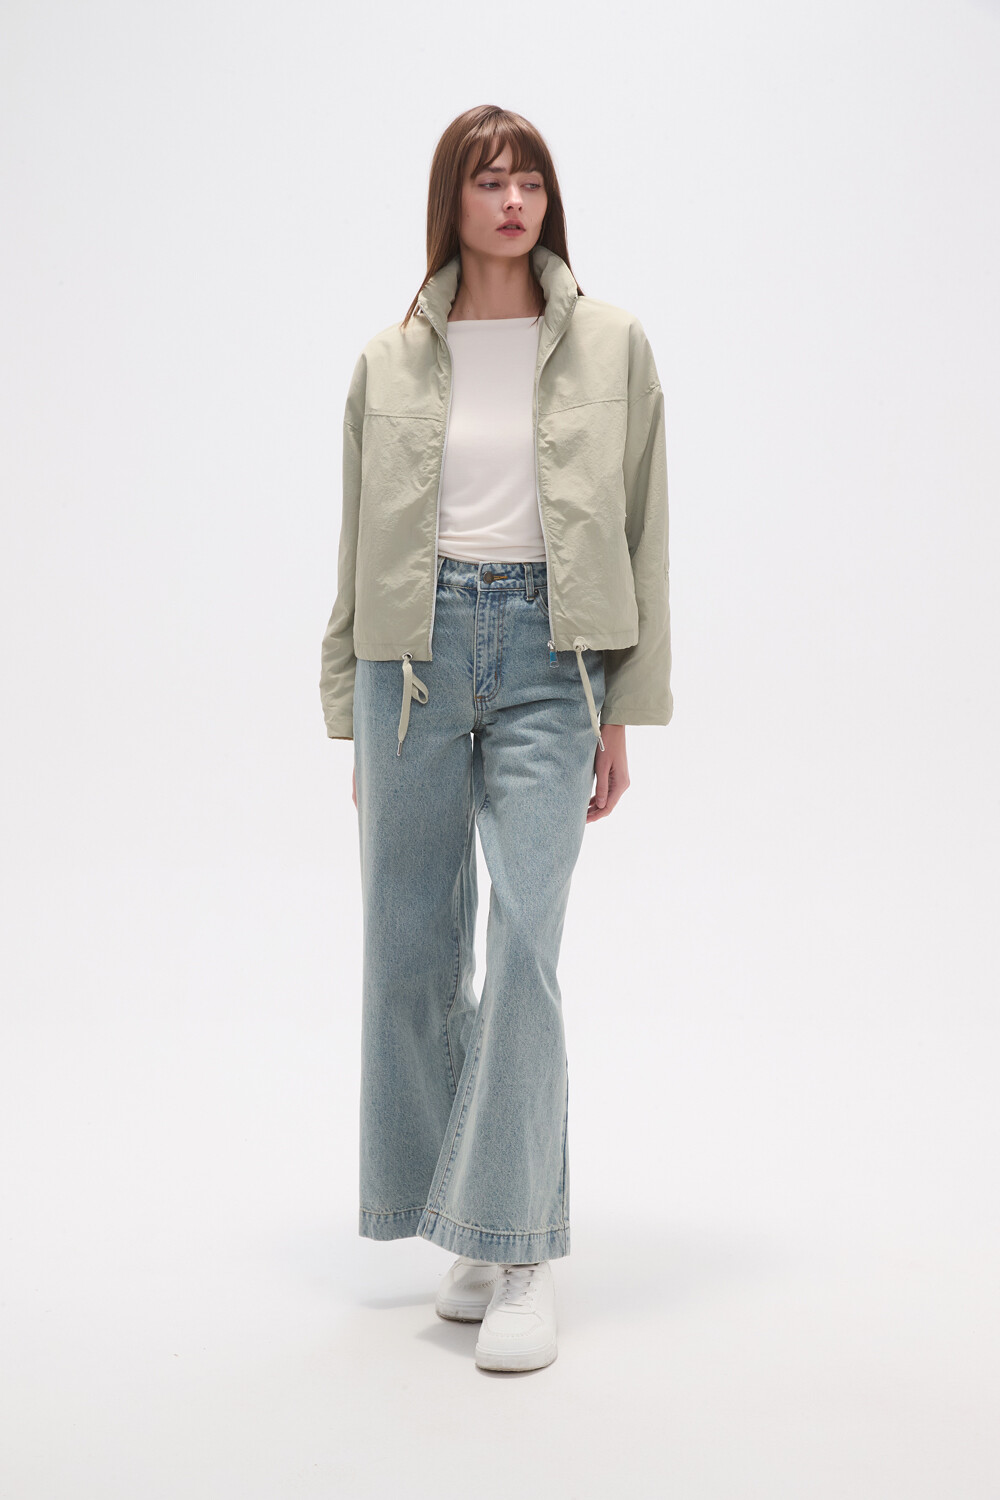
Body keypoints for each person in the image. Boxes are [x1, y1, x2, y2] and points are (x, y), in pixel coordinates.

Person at [319, 105, 673, 1373]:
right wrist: (353, 715)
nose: (513, 200)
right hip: (409, 668)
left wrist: (621, 708)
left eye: (528, 179)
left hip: (548, 658)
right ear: (452, 202)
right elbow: (357, 544)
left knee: (524, 943)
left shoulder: (613, 344)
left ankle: (519, 1249)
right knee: (409, 956)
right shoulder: (389, 360)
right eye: (489, 181)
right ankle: (466, 1223)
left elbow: (643, 531)